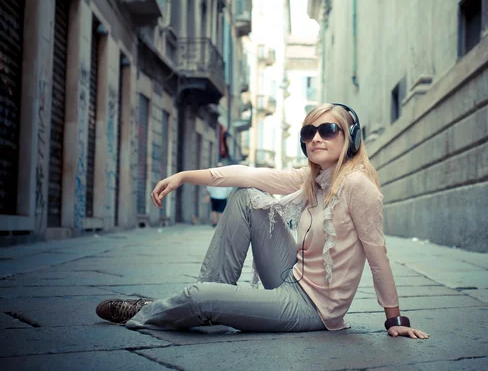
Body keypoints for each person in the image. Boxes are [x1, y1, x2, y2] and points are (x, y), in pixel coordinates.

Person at [95, 103, 430, 340]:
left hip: (310, 309)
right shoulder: (313, 180)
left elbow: (378, 256)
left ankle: (164, 308)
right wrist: (183, 176)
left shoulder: (358, 186)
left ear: (350, 138)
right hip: (288, 275)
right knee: (245, 195)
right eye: (309, 131)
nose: (316, 138)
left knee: (201, 298)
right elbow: (248, 173)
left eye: (328, 130)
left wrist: (395, 319)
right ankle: (204, 295)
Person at [205, 162, 234, 227]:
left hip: (214, 196)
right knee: (221, 211)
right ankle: (220, 224)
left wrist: (209, 194)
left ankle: (214, 223)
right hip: (222, 196)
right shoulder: (225, 177)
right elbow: (229, 188)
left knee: (214, 210)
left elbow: (209, 186)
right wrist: (227, 194)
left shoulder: (213, 177)